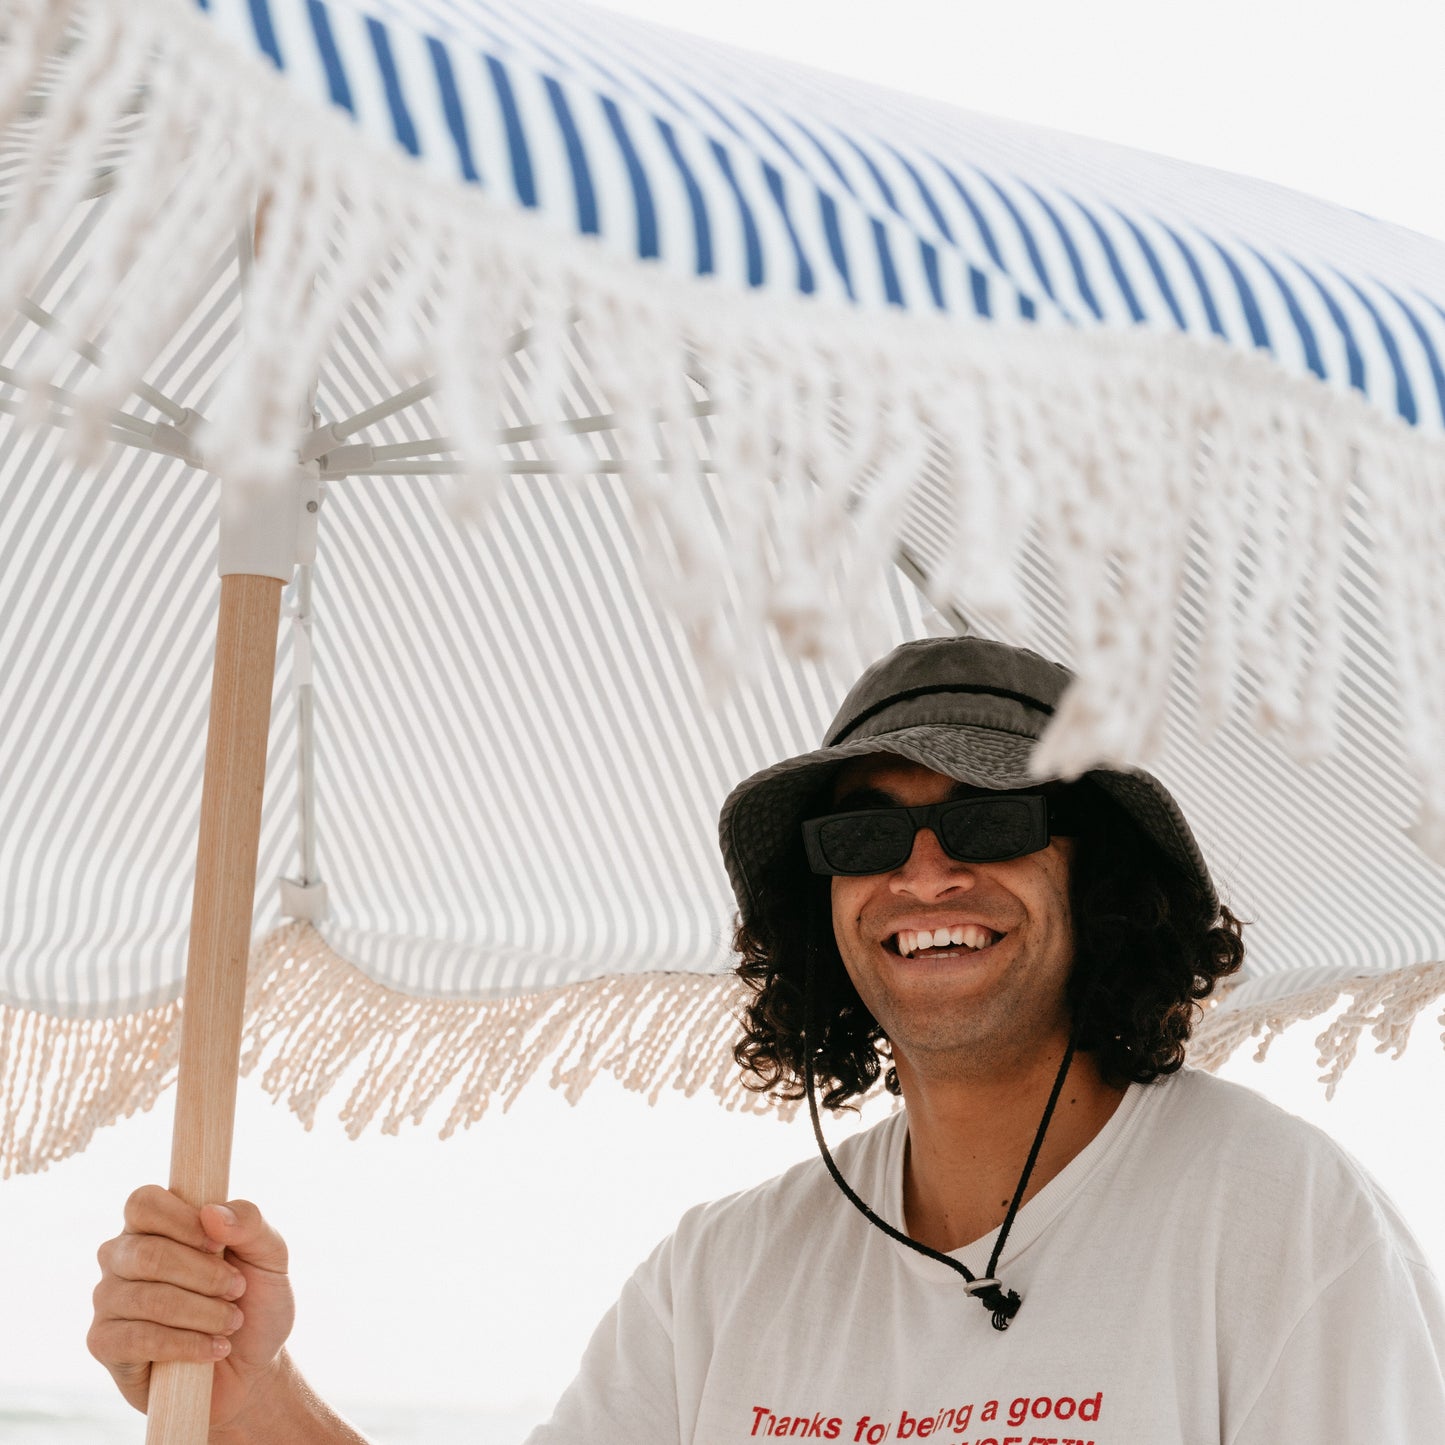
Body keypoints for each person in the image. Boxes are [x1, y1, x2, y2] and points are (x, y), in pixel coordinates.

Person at [89, 636, 1445, 1443]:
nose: (923, 873)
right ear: (822, 904)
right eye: (863, 836)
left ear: (1097, 879)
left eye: (986, 820)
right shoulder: (724, 1272)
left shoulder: (1280, 1219)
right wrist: (246, 1383)